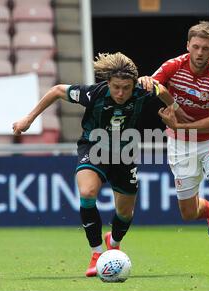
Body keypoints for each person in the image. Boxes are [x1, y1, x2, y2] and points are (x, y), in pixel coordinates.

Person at [13, 52, 175, 277]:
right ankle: (97, 253)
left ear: (133, 84)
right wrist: (29, 119)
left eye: (126, 88)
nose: (120, 93)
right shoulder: (94, 94)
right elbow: (57, 90)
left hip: (125, 154)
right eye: (116, 87)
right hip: (94, 147)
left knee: (125, 213)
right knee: (87, 192)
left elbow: (167, 94)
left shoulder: (143, 91)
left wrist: (171, 110)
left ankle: (114, 243)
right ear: (107, 82)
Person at [139, 21, 209, 276]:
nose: (199, 52)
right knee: (188, 213)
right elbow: (154, 86)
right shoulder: (174, 66)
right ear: (188, 46)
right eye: (195, 46)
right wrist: (147, 82)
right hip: (181, 145)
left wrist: (180, 124)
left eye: (205, 48)